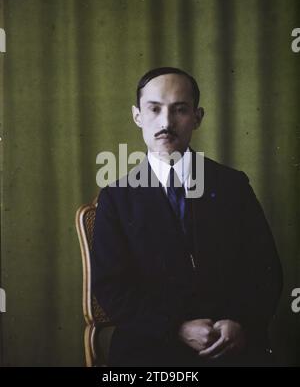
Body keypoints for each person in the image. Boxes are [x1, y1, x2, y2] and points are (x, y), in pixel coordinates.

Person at [91, 67, 283, 367]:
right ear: (137, 116)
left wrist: (241, 323)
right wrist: (176, 329)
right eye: (154, 109)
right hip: (152, 350)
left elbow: (266, 271)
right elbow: (111, 289)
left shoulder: (232, 185)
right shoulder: (117, 198)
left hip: (230, 346)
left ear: (197, 116)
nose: (166, 123)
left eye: (179, 110)